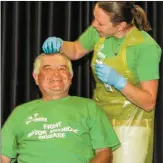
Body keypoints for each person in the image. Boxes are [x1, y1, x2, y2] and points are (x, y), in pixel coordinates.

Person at [42, 2, 162, 163]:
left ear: (121, 26)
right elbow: (76, 49)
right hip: (100, 120)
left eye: (100, 22)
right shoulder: (99, 31)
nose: (94, 24)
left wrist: (120, 82)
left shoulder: (145, 47)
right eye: (94, 18)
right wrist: (61, 45)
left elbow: (148, 102)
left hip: (131, 126)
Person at [1, 53, 120, 163]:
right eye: (48, 68)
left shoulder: (89, 107)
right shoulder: (20, 112)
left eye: (62, 68)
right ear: (36, 77)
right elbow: (3, 157)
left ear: (71, 76)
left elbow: (104, 152)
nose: (56, 73)